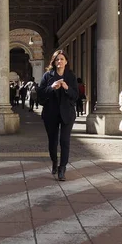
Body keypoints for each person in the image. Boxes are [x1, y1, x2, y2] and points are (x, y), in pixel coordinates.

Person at [37, 50, 78, 181]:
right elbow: (40, 95)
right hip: (51, 114)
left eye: (61, 59)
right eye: (57, 60)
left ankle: (62, 168)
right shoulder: (47, 76)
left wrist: (67, 88)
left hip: (67, 114)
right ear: (54, 62)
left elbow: (76, 96)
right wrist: (51, 88)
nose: (59, 61)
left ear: (66, 61)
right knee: (53, 142)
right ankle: (54, 161)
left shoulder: (71, 76)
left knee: (65, 141)